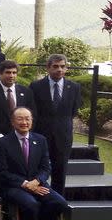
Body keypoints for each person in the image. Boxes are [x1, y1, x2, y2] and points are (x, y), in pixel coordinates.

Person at [0, 107, 69, 220]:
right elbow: (2, 171)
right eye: (20, 118)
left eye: (27, 118)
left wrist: (36, 181)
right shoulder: (3, 143)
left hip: (38, 183)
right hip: (14, 186)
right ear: (12, 122)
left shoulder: (40, 140)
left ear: (32, 121)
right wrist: (25, 184)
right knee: (31, 205)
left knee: (60, 203)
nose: (24, 122)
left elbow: (46, 167)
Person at [30, 54, 82, 200]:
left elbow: (73, 111)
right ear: (48, 68)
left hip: (63, 136)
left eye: (62, 66)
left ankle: (57, 209)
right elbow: (34, 111)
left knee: (60, 172)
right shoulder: (36, 86)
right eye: (55, 66)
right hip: (40, 136)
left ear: (66, 68)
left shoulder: (74, 87)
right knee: (38, 172)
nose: (59, 69)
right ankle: (38, 205)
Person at [0, 60, 36, 138]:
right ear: (0, 74)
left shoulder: (26, 91)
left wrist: (26, 133)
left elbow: (33, 114)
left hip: (22, 137)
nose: (11, 76)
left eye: (14, 73)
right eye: (8, 72)